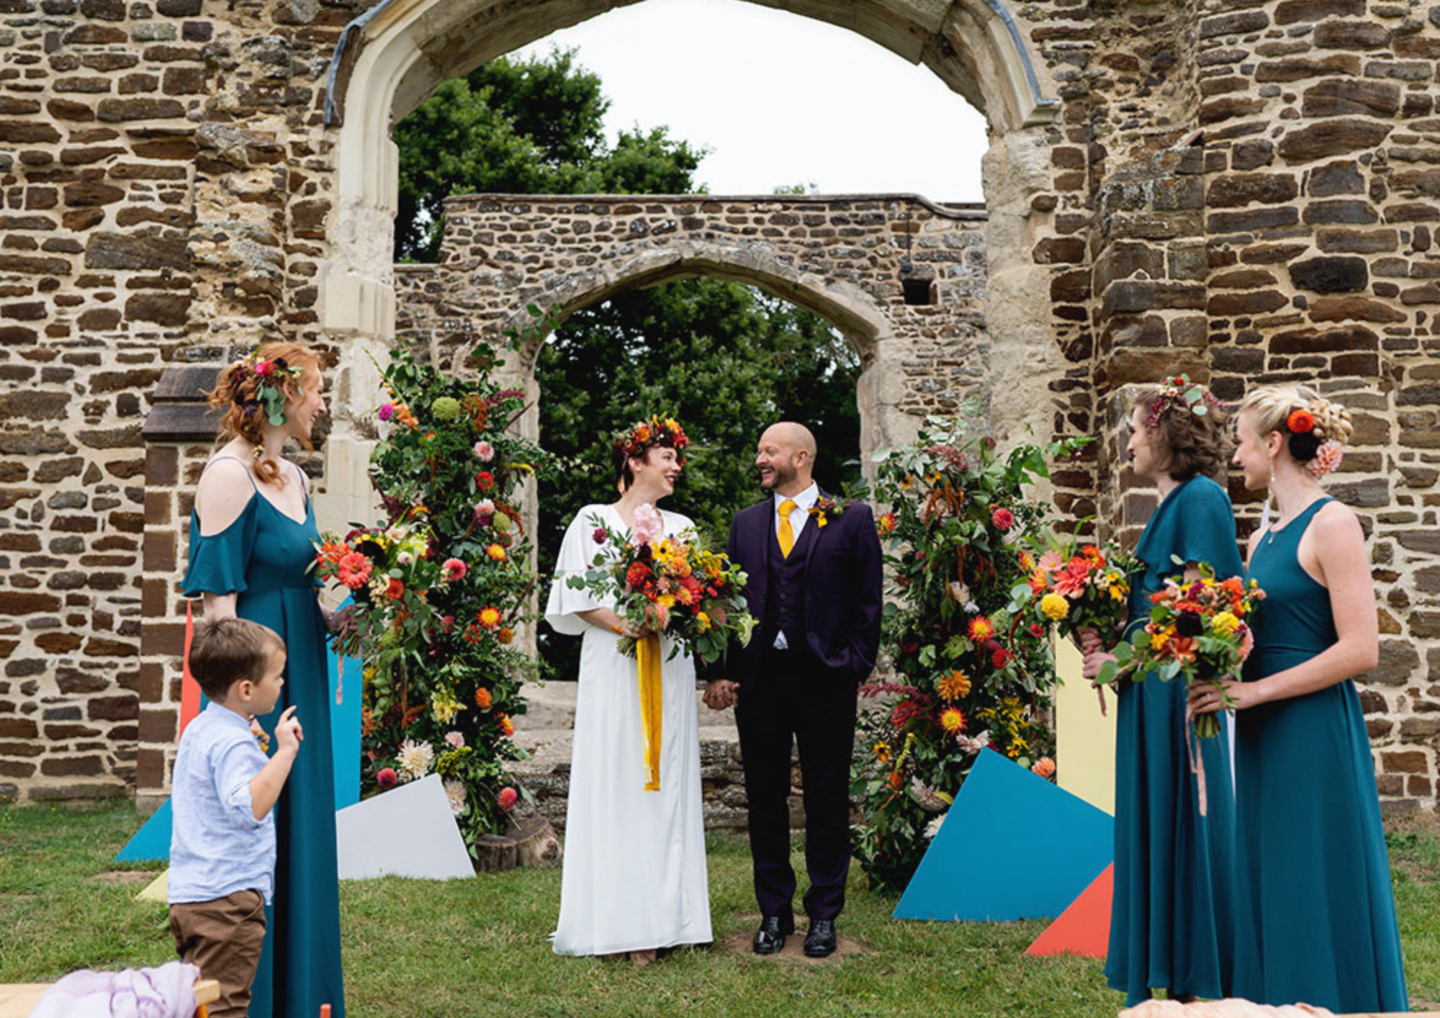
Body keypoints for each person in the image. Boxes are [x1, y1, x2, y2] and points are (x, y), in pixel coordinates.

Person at [1190, 384, 1407, 1012]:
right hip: (1262, 733)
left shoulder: (1333, 523)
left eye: (1242, 445)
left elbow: (1361, 649)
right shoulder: (1262, 540)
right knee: (1270, 879)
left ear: (1276, 444)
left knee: (1313, 877)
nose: (1236, 460)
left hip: (1311, 731)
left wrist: (1256, 690)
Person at [181, 341, 344, 1017]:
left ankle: (306, 998)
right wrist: (240, 714)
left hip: (300, 663)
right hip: (253, 681)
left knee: (303, 829)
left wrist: (349, 607)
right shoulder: (227, 476)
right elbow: (217, 609)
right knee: (257, 830)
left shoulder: (296, 479)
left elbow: (311, 585)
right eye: (317, 391)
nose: (324, 404)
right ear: (281, 396)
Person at [1081, 379, 1240, 1006]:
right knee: (1155, 826)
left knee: (1185, 825)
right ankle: (1167, 979)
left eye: (1136, 427)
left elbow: (1196, 612)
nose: (1127, 438)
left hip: (1177, 701)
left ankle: (1199, 983)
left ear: (1166, 432)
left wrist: (1122, 656)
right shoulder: (1170, 504)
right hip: (1150, 698)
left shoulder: (1200, 499)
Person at [703, 422, 882, 958]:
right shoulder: (745, 524)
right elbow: (727, 605)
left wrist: (853, 665)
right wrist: (722, 670)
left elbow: (868, 604)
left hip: (827, 680)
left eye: (769, 450)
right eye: (759, 449)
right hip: (761, 681)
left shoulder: (851, 519)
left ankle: (824, 913)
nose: (760, 458)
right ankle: (774, 912)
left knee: (827, 799)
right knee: (765, 797)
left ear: (800, 457)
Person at [544, 415, 712, 964]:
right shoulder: (593, 520)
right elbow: (573, 599)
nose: (675, 467)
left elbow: (698, 598)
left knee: (665, 783)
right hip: (615, 664)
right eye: (668, 457)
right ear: (637, 461)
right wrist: (628, 624)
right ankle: (612, 920)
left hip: (668, 665)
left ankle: (663, 920)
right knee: (616, 777)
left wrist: (677, 609)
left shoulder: (682, 528)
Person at [169, 617, 303, 1018]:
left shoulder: (201, 727)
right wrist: (283, 753)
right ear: (246, 689)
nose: (282, 684)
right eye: (277, 676)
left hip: (192, 897)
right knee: (225, 1005)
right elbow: (250, 808)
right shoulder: (232, 742)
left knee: (200, 1003)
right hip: (228, 901)